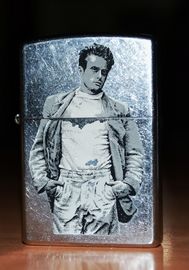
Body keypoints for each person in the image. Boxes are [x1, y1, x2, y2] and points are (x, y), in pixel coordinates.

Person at [29, 44, 144, 235]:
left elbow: (134, 151)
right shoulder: (56, 104)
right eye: (94, 69)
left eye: (104, 71)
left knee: (102, 258)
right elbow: (39, 148)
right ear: (81, 70)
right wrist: (43, 180)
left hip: (103, 187)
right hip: (66, 187)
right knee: (65, 256)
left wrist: (128, 184)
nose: (99, 76)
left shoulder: (119, 109)